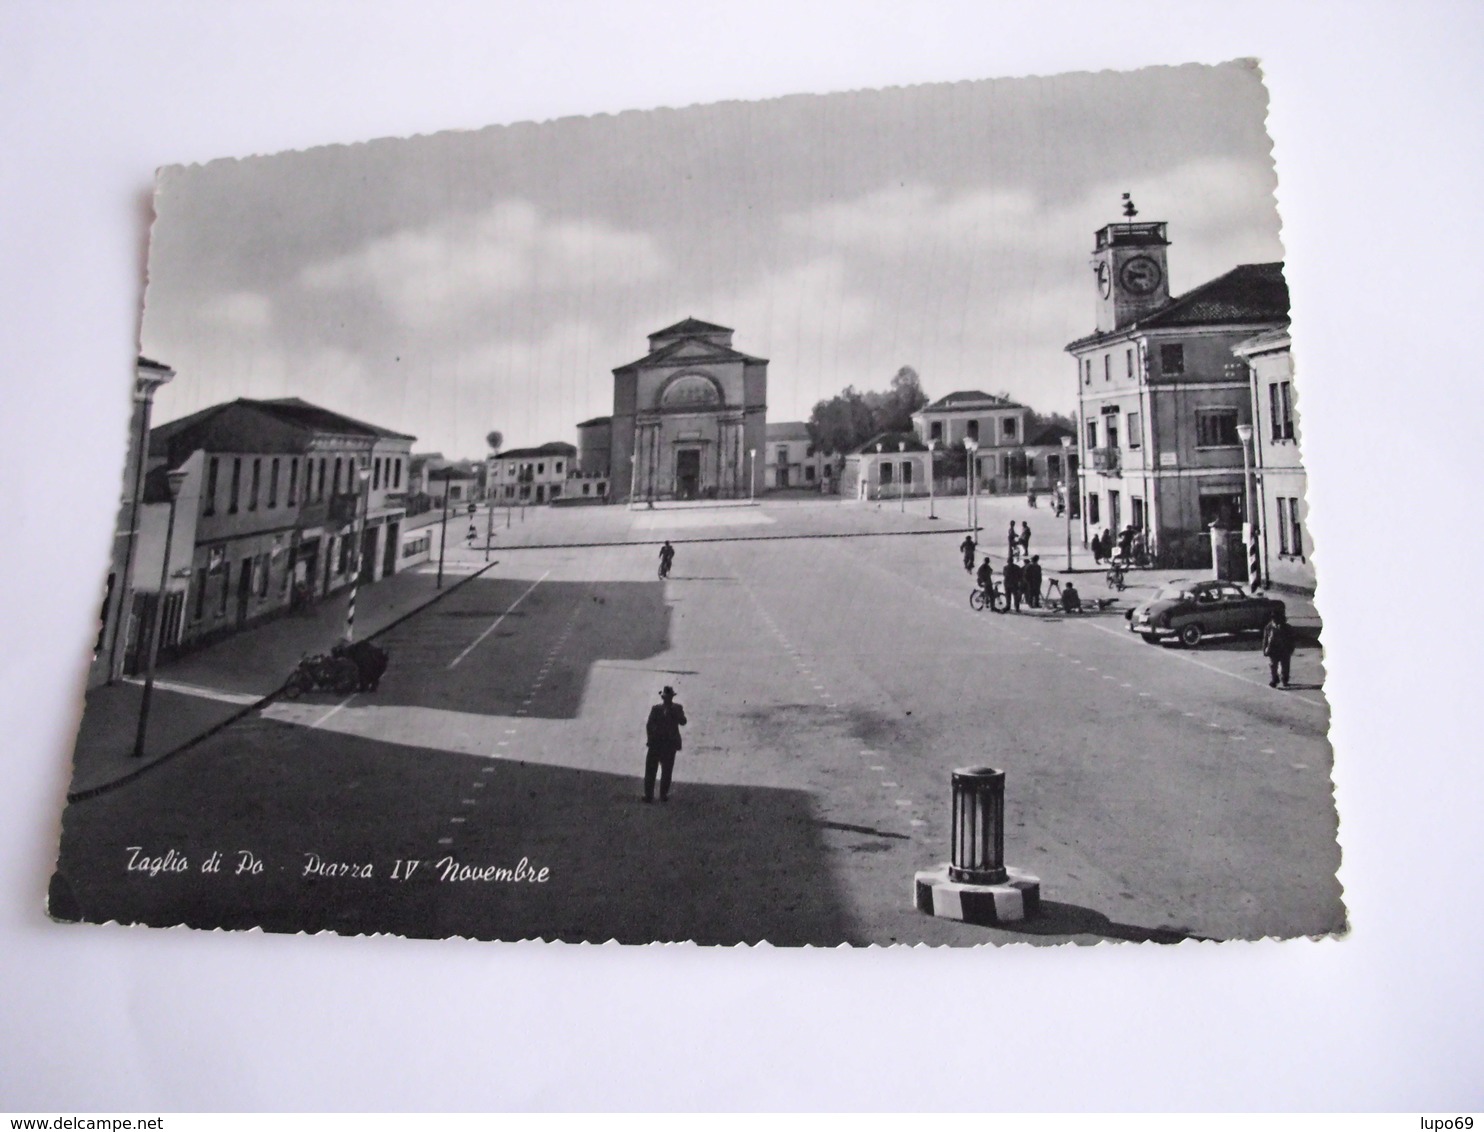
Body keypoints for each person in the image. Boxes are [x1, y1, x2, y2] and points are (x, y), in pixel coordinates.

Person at [643, 686, 687, 803]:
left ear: (672, 697)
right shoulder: (656, 709)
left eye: (669, 697)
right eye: (665, 697)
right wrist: (651, 738)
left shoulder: (677, 708)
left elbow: (683, 721)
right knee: (651, 769)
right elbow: (649, 724)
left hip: (669, 744)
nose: (667, 699)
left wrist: (676, 714)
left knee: (667, 771)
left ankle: (663, 794)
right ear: (663, 698)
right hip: (656, 743)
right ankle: (649, 795)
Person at [1261, 608, 1297, 689]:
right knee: (1273, 666)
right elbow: (1265, 639)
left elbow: (1292, 639)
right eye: (1273, 618)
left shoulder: (1287, 628)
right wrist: (1264, 649)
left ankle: (1284, 679)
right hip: (1273, 649)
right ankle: (1274, 679)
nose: (1274, 620)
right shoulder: (1269, 627)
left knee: (1285, 666)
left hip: (1284, 649)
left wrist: (1291, 649)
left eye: (1276, 618)